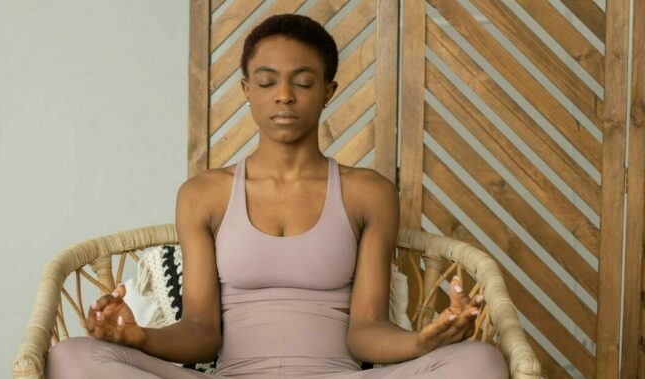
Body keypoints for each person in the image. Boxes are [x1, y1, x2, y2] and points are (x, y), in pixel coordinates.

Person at [46, 14, 508, 378]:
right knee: (72, 356)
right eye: (267, 83)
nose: (284, 96)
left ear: (328, 92)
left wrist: (425, 342)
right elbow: (202, 333)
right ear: (247, 91)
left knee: (481, 364)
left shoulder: (368, 193)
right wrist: (138, 337)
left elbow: (366, 332)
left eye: (303, 83)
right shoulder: (203, 195)